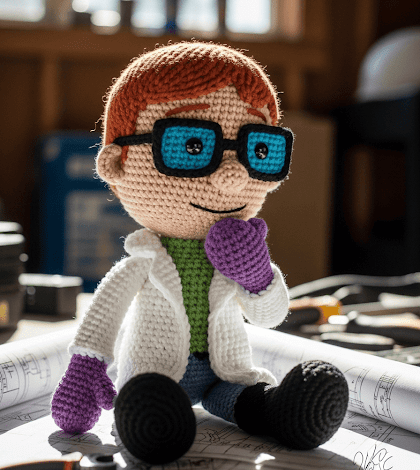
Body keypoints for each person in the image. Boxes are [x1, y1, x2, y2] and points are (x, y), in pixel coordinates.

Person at [51, 41, 348, 464]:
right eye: (191, 145)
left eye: (259, 150)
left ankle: (278, 410)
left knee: (244, 396)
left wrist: (257, 276)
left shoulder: (238, 252)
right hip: (155, 376)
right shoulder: (142, 263)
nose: (233, 176)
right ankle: (153, 420)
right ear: (116, 162)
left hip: (225, 374)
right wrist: (85, 369)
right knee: (151, 404)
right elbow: (103, 317)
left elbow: (269, 315)